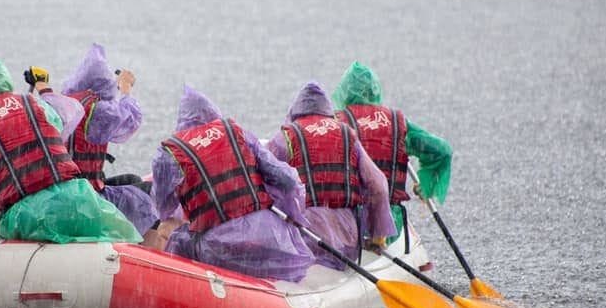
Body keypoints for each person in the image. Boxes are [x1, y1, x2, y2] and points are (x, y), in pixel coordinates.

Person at [0, 51, 142, 248]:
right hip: (78, 201)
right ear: (5, 80)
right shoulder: (36, 103)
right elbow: (63, 119)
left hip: (27, 215)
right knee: (125, 237)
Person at [151, 85, 315, 282]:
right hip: (270, 239)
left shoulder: (169, 153)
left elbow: (162, 207)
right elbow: (288, 181)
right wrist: (291, 213)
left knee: (167, 229)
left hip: (217, 248)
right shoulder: (237, 133)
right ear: (213, 113)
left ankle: (170, 285)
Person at [266, 82, 395, 270]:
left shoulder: (284, 138)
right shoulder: (347, 134)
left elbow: (263, 179)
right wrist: (377, 235)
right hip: (348, 235)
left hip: (307, 235)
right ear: (327, 110)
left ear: (295, 111)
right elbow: (378, 185)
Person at [332, 61, 452, 250]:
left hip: (347, 222)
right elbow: (442, 150)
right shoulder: (397, 122)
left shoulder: (335, 123)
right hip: (389, 222)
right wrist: (426, 184)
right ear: (375, 90)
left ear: (344, 92)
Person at [59, 44, 160, 243]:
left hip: (63, 191)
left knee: (130, 179)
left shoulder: (63, 104)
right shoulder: (97, 111)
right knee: (146, 199)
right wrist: (126, 89)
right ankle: (147, 254)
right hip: (87, 197)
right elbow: (130, 120)